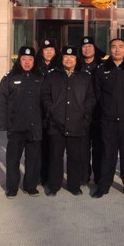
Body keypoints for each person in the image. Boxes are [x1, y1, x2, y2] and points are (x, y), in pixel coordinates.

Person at [41, 46, 95, 196]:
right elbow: (45, 95)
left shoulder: (84, 76)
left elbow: (91, 97)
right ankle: (54, 186)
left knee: (75, 157)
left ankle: (74, 186)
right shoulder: (52, 75)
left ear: (76, 59)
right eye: (66, 56)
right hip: (56, 123)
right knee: (55, 157)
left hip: (77, 122)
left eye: (72, 57)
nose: (69, 59)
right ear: (61, 59)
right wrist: (51, 110)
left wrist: (84, 112)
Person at [93, 38, 124, 200]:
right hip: (108, 120)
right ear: (110, 50)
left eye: (121, 47)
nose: (117, 49)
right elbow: (97, 94)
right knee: (108, 155)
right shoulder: (102, 69)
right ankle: (103, 186)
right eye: (114, 47)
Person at [0, 46, 43, 198]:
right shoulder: (9, 78)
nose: (27, 62)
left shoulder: (40, 77)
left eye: (30, 59)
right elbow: (2, 102)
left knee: (33, 159)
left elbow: (46, 101)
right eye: (24, 59)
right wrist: (3, 124)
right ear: (19, 60)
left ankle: (30, 186)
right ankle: (12, 187)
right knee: (13, 160)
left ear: (34, 61)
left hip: (35, 126)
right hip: (16, 127)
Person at [79, 36, 106, 185]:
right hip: (81, 113)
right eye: (84, 46)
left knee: (99, 147)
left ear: (95, 48)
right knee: (83, 148)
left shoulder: (102, 65)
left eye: (90, 46)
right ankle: (84, 176)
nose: (87, 49)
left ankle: (99, 176)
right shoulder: (77, 65)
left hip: (99, 112)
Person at [35, 38, 60, 185]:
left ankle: (52, 176)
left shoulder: (59, 66)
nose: (49, 52)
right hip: (39, 113)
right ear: (41, 51)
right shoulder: (36, 66)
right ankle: (42, 175)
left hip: (54, 113)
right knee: (40, 147)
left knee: (54, 148)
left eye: (51, 49)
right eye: (46, 49)